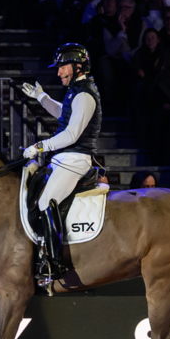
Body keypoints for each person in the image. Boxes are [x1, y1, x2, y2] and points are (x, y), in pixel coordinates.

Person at [21, 43, 102, 280]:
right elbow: (63, 114)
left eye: (62, 68)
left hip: (77, 159)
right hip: (66, 157)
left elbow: (71, 135)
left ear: (78, 67)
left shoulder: (85, 95)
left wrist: (39, 146)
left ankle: (53, 263)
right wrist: (41, 97)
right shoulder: (76, 91)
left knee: (47, 201)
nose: (58, 73)